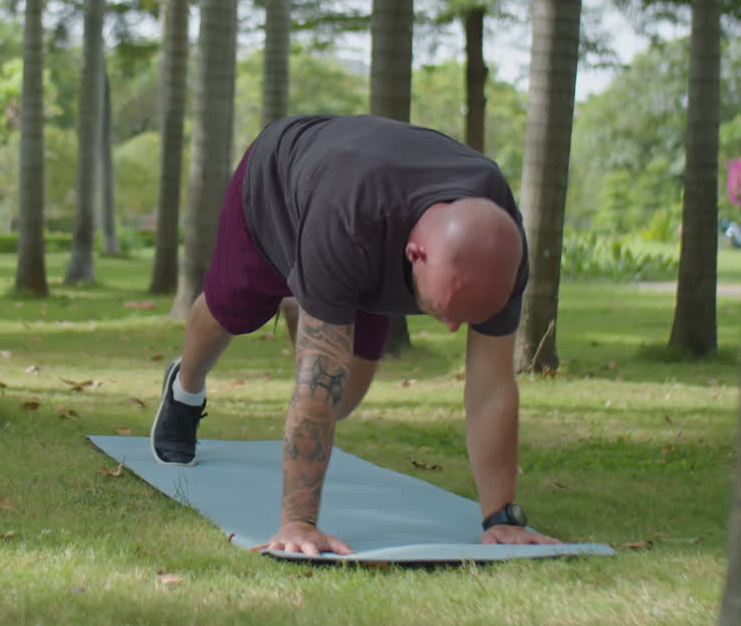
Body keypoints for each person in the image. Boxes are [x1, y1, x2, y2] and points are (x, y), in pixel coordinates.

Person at [150, 114, 562, 556]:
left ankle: (308, 295)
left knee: (345, 398)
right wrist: (299, 523)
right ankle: (185, 389)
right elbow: (314, 383)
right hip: (277, 183)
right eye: (445, 311)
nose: (451, 328)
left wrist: (500, 516)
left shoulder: (498, 242)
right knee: (230, 309)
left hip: (358, 243)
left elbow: (492, 389)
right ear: (415, 254)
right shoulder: (349, 216)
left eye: (465, 317)